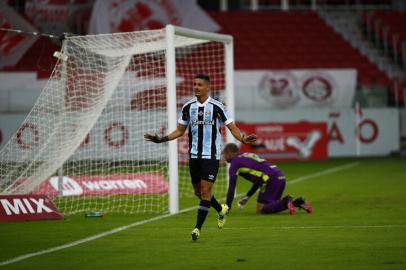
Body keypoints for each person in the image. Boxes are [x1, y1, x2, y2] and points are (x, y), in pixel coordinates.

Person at [144, 74, 257, 241]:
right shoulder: (188, 107)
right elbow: (180, 130)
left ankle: (197, 229)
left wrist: (242, 138)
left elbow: (232, 127)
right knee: (198, 191)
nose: (196, 87)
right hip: (194, 156)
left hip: (210, 156)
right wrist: (161, 139)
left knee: (205, 191)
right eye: (194, 84)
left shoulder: (218, 106)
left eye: (199, 84)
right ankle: (220, 209)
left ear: (207, 87)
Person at [222, 143, 312, 215]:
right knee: (272, 206)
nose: (224, 157)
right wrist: (248, 196)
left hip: (270, 179)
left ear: (229, 153)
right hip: (279, 176)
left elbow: (231, 188)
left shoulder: (234, 163)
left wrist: (227, 208)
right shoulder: (245, 156)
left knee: (260, 209)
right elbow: (258, 180)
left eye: (224, 154)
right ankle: (297, 202)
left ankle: (287, 200)